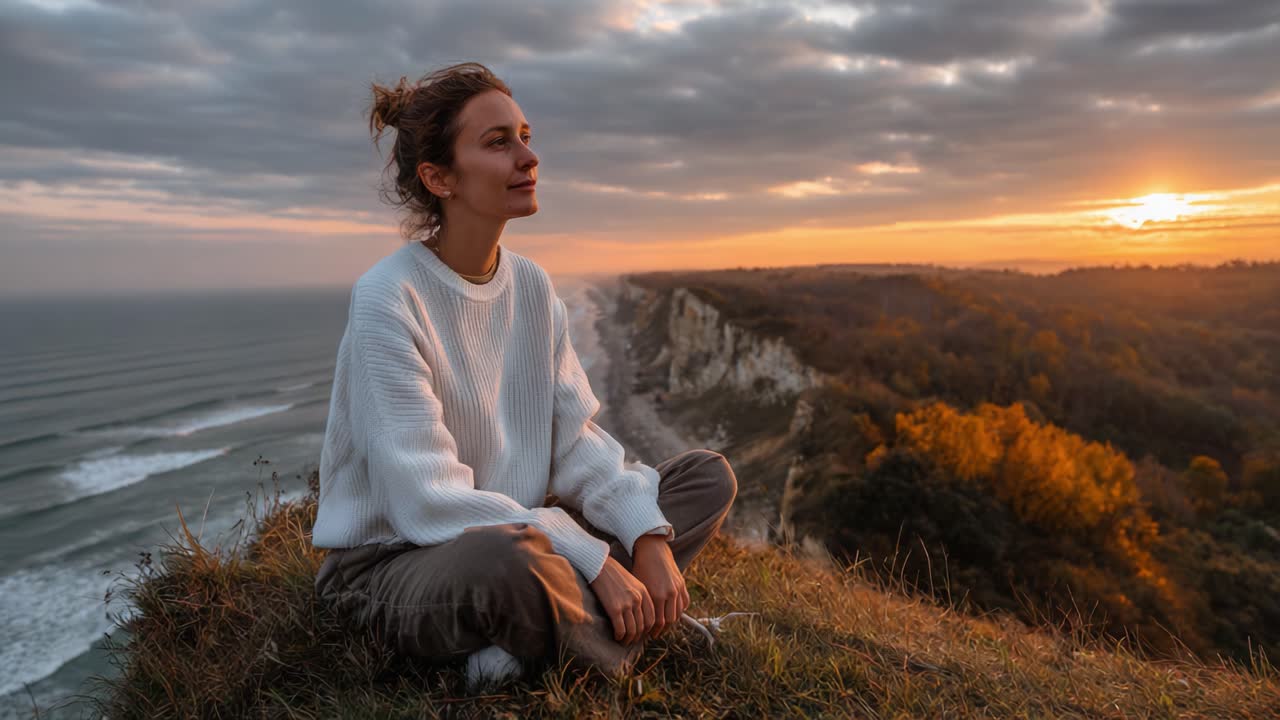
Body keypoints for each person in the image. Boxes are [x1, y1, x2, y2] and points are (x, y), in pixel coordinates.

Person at [310, 62, 737, 693]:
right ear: (438, 178)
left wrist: (645, 536)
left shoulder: (533, 286)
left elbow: (575, 443)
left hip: (522, 534)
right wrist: (590, 555)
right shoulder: (389, 298)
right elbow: (427, 502)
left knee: (705, 478)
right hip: (396, 565)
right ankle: (606, 645)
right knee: (516, 562)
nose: (528, 156)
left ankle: (531, 645)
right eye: (498, 142)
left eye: (525, 135)